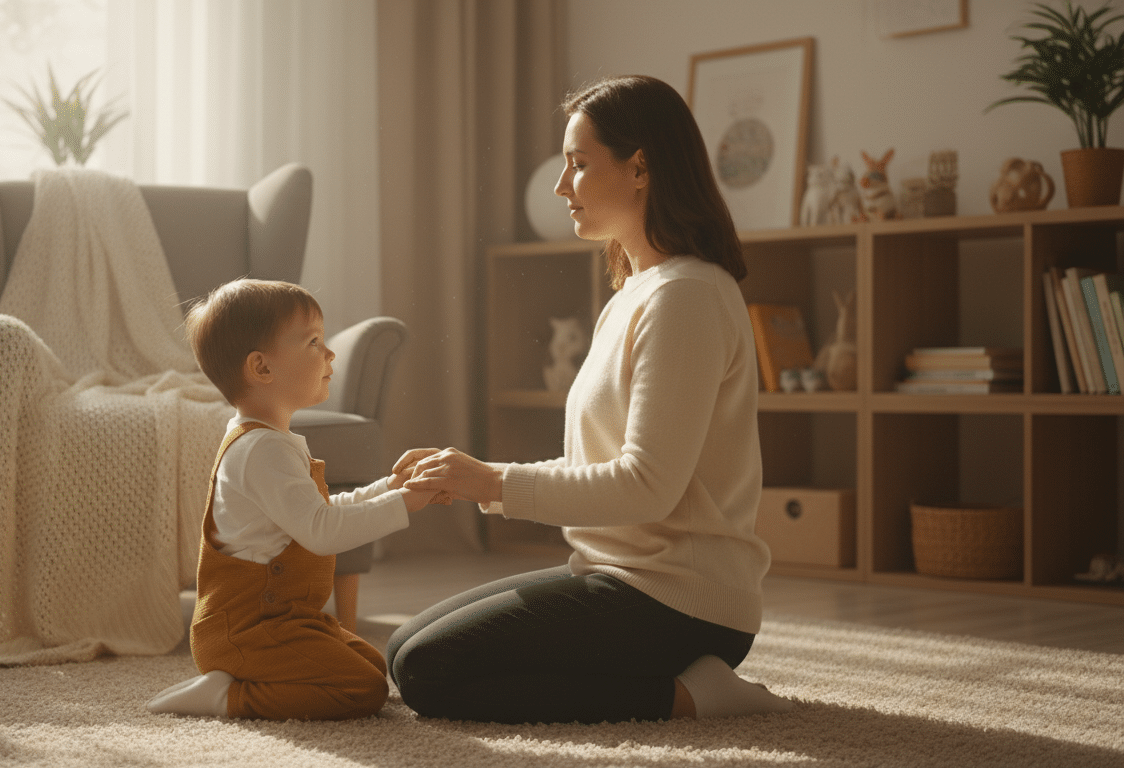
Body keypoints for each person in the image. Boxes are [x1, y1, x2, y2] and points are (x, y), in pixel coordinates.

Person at [387, 75, 794, 724]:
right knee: (403, 649)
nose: (560, 186)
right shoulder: (634, 291)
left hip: (683, 602)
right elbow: (601, 468)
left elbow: (647, 486)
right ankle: (677, 681)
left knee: (427, 671)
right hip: (614, 577)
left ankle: (694, 694)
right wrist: (477, 481)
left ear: (641, 168)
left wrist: (492, 481)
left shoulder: (684, 296)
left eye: (578, 164)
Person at [146, 278, 439, 720]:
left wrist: (392, 487)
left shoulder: (275, 443)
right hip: (247, 631)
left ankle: (235, 680)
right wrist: (405, 505)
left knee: (372, 665)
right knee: (361, 689)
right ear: (261, 369)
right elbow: (321, 533)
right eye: (314, 342)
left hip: (285, 619)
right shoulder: (260, 450)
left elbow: (318, 514)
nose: (330, 354)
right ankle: (226, 697)